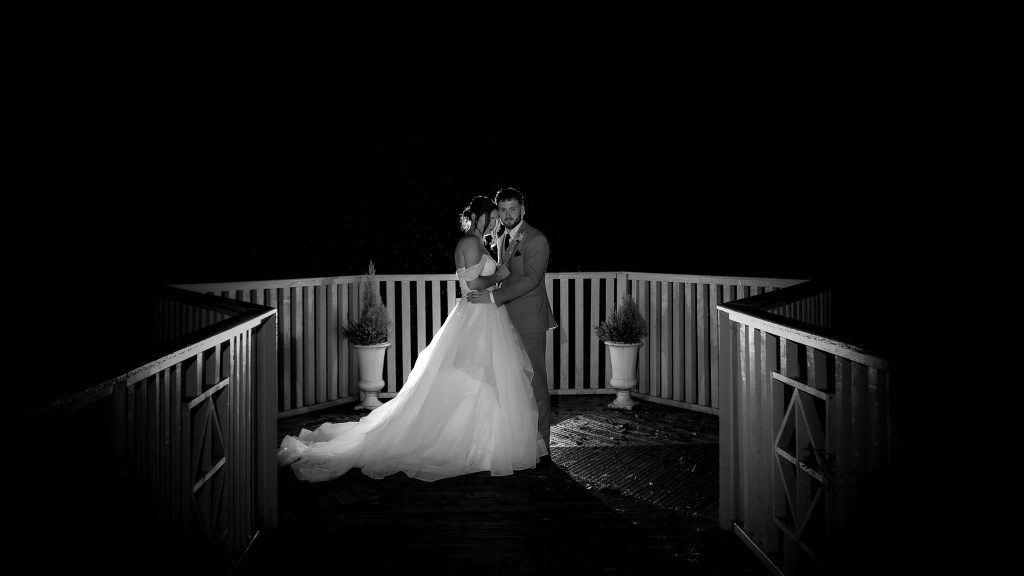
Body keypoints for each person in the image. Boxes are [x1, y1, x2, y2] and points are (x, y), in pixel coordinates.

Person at [277, 196, 548, 482]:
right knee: (477, 378)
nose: (495, 222)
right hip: (478, 314)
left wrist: (496, 278)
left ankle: (486, 441)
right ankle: (473, 443)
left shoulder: (481, 242)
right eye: (491, 217)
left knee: (485, 379)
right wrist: (498, 276)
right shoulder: (470, 242)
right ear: (476, 217)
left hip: (485, 315)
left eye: (497, 217)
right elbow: (472, 283)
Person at [466, 187, 557, 457]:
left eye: (513, 209)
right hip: (504, 320)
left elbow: (531, 279)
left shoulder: (537, 239)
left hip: (529, 320)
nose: (507, 215)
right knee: (513, 382)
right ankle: (521, 441)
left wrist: (494, 297)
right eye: (503, 210)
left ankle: (542, 445)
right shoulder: (500, 236)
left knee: (535, 381)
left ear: (523, 210)